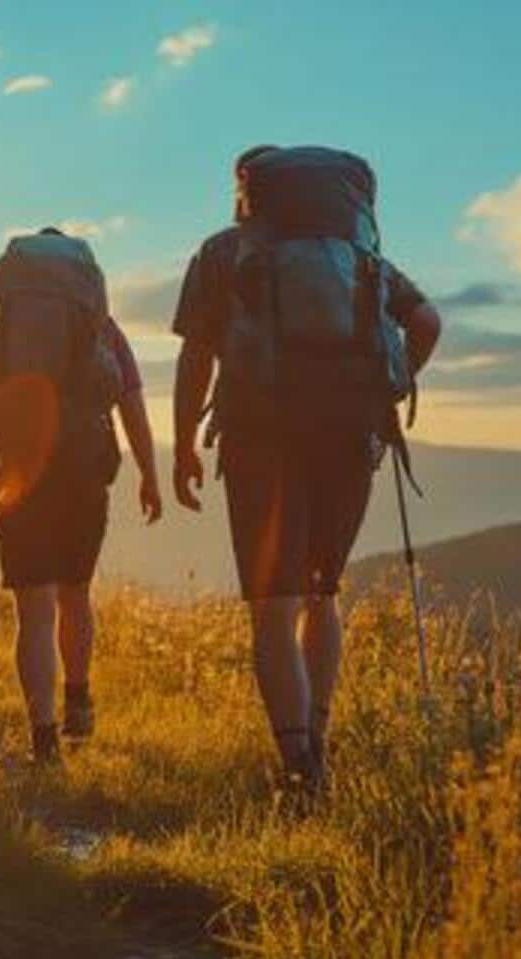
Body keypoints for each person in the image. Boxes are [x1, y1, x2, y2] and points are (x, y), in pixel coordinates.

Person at [170, 147, 442, 793]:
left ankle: (298, 767)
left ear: (247, 192)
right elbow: (427, 321)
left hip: (258, 436)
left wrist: (182, 447)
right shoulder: (361, 258)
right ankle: (319, 738)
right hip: (348, 431)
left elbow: (195, 356)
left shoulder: (222, 253)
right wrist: (394, 380)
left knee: (273, 605)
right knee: (322, 593)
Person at [0, 228, 162, 766]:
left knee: (34, 609)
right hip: (84, 468)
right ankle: (77, 697)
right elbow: (132, 406)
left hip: (20, 472)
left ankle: (43, 738)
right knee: (75, 592)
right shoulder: (104, 331)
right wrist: (149, 474)